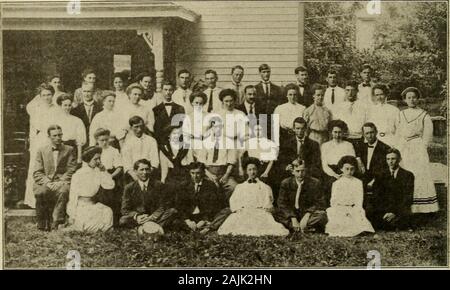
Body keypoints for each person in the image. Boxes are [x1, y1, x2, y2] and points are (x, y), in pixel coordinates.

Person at [217, 157, 289, 236]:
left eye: (254, 169)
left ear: (257, 170)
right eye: (250, 170)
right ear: (246, 171)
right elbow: (234, 201)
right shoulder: (240, 187)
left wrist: (265, 208)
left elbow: (268, 201)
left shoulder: (265, 187)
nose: (252, 172)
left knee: (266, 226)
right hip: (244, 212)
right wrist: (238, 209)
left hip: (259, 212)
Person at [396, 87, 439, 213]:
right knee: (405, 172)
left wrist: (421, 148)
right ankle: (405, 206)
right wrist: (399, 147)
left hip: (417, 147)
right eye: (409, 98)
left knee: (419, 174)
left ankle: (422, 207)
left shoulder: (424, 115)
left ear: (418, 99)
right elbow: (398, 132)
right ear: (405, 100)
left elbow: (427, 135)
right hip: (404, 146)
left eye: (414, 97)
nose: (412, 100)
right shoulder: (401, 114)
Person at [33, 125, 77, 231]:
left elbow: (71, 169)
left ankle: (56, 222)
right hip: (46, 181)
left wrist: (61, 181)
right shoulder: (41, 150)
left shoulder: (69, 149)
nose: (58, 137)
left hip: (62, 181)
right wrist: (48, 182)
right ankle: (42, 223)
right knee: (40, 192)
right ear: (49, 137)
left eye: (60, 135)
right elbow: (37, 172)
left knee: (63, 191)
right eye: (55, 135)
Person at [120, 159, 177, 234]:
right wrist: (137, 216)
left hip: (155, 217)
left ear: (150, 170)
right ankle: (154, 229)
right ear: (135, 171)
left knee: (172, 211)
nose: (144, 172)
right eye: (141, 170)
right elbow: (124, 209)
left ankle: (143, 229)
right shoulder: (129, 188)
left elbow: (163, 205)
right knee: (123, 220)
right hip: (140, 219)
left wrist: (151, 217)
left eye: (147, 169)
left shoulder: (158, 185)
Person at [24, 83, 58, 208]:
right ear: (40, 96)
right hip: (40, 140)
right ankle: (33, 200)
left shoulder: (57, 109)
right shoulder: (36, 109)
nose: (47, 97)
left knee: (50, 167)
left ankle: (50, 200)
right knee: (36, 167)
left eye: (49, 95)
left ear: (53, 95)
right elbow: (34, 128)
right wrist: (33, 144)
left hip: (52, 140)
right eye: (44, 95)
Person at [66, 146, 115, 232]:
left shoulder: (98, 171)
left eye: (99, 158)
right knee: (86, 224)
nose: (98, 161)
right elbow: (73, 197)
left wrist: (104, 171)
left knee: (108, 211)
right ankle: (84, 227)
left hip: (94, 205)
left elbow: (110, 186)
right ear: (88, 160)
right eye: (95, 159)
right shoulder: (79, 174)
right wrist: (72, 216)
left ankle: (100, 228)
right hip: (81, 206)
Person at [174, 162, 231, 234]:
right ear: (189, 173)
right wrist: (187, 221)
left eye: (198, 173)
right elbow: (180, 205)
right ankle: (201, 228)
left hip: (204, 216)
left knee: (227, 211)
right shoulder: (184, 186)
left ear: (203, 173)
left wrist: (204, 220)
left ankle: (206, 228)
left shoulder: (210, 185)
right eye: (192, 173)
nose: (195, 176)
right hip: (189, 216)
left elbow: (213, 206)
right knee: (174, 217)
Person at [325, 156, 375, 237]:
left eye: (352, 169)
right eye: (347, 169)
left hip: (353, 208)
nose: (349, 171)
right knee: (334, 214)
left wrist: (353, 209)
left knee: (358, 215)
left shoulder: (358, 182)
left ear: (355, 169)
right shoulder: (336, 183)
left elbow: (359, 200)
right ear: (341, 169)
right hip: (339, 208)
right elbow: (333, 200)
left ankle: (357, 230)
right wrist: (341, 208)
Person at [274, 159, 327, 233]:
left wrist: (307, 215)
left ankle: (298, 227)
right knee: (276, 213)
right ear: (292, 172)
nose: (300, 174)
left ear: (306, 170)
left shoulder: (314, 183)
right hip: (292, 213)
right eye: (297, 171)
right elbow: (282, 203)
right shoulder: (286, 183)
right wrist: (293, 217)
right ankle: (302, 227)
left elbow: (320, 202)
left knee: (322, 215)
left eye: (303, 171)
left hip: (307, 213)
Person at [371, 148, 414, 230]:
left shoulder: (408, 175)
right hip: (384, 210)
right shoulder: (380, 175)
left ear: (399, 159)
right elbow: (376, 196)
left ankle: (395, 223)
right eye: (388, 159)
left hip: (399, 210)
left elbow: (408, 198)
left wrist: (394, 212)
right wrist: (386, 212)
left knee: (404, 216)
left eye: (393, 159)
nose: (390, 161)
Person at [153, 81, 187, 183]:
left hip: (176, 144)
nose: (168, 92)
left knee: (177, 169)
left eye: (170, 90)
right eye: (165, 90)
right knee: (164, 174)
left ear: (173, 91)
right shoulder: (156, 109)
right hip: (163, 145)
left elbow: (181, 126)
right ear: (161, 91)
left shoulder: (180, 108)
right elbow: (157, 130)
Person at [199, 117, 238, 201]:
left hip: (224, 173)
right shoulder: (205, 142)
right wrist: (209, 175)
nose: (217, 129)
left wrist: (226, 175)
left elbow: (232, 161)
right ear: (211, 127)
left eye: (220, 126)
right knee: (207, 188)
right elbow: (201, 162)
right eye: (215, 127)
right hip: (208, 173)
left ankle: (226, 207)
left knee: (233, 187)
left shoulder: (228, 141)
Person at [91, 128, 124, 226]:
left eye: (107, 139)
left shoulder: (114, 150)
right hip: (95, 176)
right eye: (102, 140)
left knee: (111, 195)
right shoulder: (93, 151)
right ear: (97, 140)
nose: (105, 142)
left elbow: (119, 167)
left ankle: (113, 221)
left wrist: (110, 176)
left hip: (111, 175)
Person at [320, 120, 356, 202]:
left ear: (343, 132)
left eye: (340, 132)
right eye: (335, 132)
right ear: (331, 132)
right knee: (329, 185)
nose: (337, 135)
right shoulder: (325, 145)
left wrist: (344, 173)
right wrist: (334, 175)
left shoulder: (348, 145)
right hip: (330, 172)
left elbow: (352, 161)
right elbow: (324, 165)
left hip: (345, 171)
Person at [121, 116, 160, 183]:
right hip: (133, 176)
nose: (139, 129)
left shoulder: (151, 140)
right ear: (131, 128)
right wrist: (137, 179)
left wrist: (146, 175)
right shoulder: (127, 143)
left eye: (141, 126)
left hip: (149, 173)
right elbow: (127, 164)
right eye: (136, 127)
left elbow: (155, 161)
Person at [354, 122, 390, 191]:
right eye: (367, 133)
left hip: (378, 179)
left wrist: (373, 181)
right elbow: (357, 157)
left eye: (372, 132)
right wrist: (358, 160)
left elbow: (384, 170)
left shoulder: (385, 148)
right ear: (363, 135)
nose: (370, 136)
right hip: (362, 177)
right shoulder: (360, 146)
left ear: (376, 132)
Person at [54, 93, 87, 165]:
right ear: (60, 106)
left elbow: (80, 141)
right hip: (58, 149)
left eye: (69, 105)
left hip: (72, 150)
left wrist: (79, 158)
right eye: (65, 105)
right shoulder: (55, 120)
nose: (67, 107)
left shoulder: (77, 120)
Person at [333, 80, 368, 144]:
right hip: (344, 139)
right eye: (347, 90)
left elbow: (367, 123)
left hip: (359, 139)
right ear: (344, 91)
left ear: (357, 91)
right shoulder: (340, 107)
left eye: (353, 90)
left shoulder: (364, 106)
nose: (350, 93)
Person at [70, 82, 103, 146]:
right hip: (81, 143)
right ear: (81, 92)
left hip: (97, 142)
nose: (86, 94)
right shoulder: (75, 110)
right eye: (84, 91)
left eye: (89, 91)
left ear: (93, 92)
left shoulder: (100, 108)